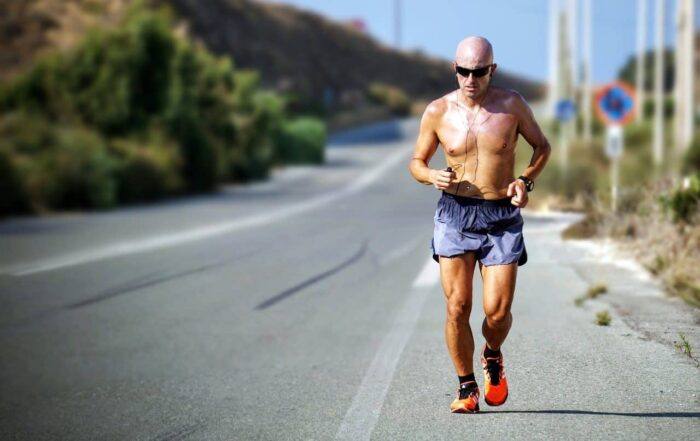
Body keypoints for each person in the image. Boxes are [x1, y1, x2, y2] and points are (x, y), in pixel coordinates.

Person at [408, 36, 551, 413]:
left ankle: (492, 353)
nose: (471, 79)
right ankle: (466, 386)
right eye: (464, 71)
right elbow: (416, 161)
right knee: (457, 306)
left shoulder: (512, 105)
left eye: (479, 72)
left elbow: (542, 147)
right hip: (455, 213)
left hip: (501, 215)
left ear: (492, 70)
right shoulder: (438, 111)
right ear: (454, 69)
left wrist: (526, 181)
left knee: (497, 312)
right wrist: (430, 176)